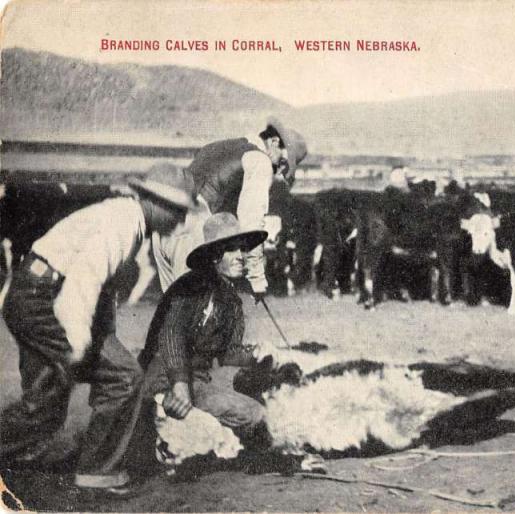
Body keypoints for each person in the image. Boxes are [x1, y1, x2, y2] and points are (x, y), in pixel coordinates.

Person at [0, 165, 195, 497]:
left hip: (36, 295)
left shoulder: (129, 221)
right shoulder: (121, 223)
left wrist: (95, 351)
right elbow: (84, 281)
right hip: (46, 300)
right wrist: (77, 345)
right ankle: (97, 474)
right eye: (175, 210)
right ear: (152, 201)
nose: (180, 221)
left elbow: (102, 298)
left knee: (46, 404)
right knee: (121, 376)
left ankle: (78, 470)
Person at [139, 213, 276, 460]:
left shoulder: (231, 301)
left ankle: (181, 428)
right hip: (164, 377)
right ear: (214, 256)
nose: (241, 257)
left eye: (242, 249)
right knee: (224, 427)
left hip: (195, 382)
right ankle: (161, 421)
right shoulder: (191, 286)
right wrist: (179, 386)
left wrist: (258, 355)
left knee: (256, 414)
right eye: (231, 250)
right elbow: (171, 334)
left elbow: (228, 352)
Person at [151, 117, 307, 297]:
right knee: (196, 312)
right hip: (192, 230)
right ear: (274, 142)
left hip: (162, 225)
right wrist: (256, 279)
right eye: (283, 162)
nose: (279, 171)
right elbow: (251, 224)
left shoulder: (219, 146)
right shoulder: (260, 161)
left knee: (173, 313)